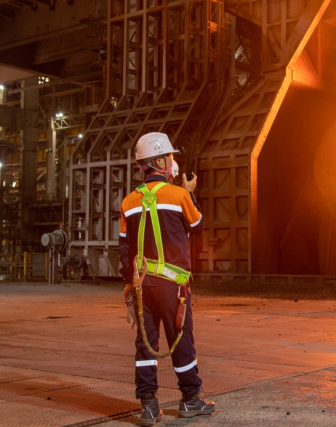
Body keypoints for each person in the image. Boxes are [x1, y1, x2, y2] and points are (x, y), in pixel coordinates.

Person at [119, 132, 215, 425]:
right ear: (160, 161)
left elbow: (125, 250)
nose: (173, 162)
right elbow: (197, 226)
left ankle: (148, 406)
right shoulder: (179, 196)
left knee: (145, 345)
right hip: (174, 288)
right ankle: (190, 400)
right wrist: (189, 191)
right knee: (181, 341)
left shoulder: (128, 202)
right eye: (170, 157)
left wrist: (129, 287)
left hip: (142, 287)